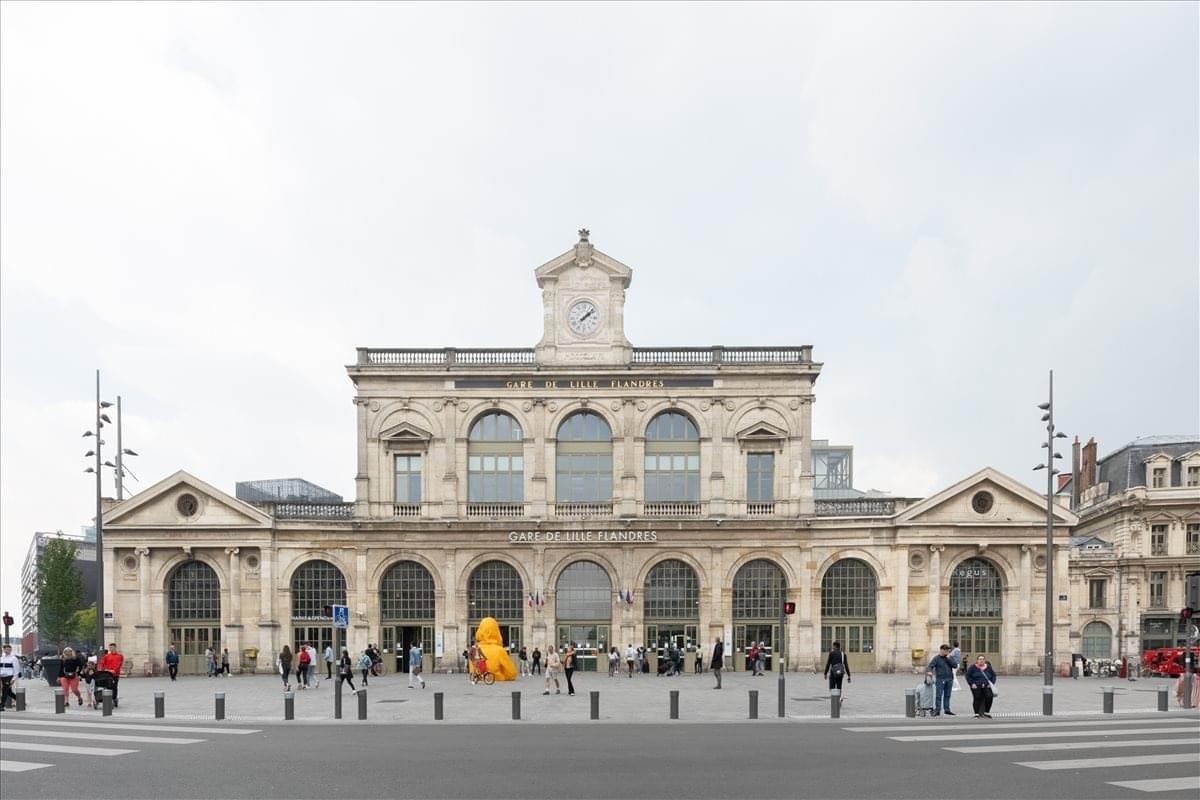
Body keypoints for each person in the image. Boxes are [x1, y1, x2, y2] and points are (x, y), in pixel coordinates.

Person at [927, 643, 957, 716]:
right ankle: (937, 710)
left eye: (947, 650)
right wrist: (929, 672)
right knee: (939, 695)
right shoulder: (936, 658)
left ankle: (947, 710)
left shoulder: (950, 657)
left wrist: (949, 659)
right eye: (945, 650)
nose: (946, 652)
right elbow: (930, 666)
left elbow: (955, 665)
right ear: (941, 650)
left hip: (949, 679)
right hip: (940, 679)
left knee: (947, 695)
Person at [97, 642, 124, 708]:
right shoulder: (106, 656)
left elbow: (119, 664)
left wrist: (114, 670)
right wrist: (100, 669)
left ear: (115, 647)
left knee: (114, 687)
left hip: (115, 674)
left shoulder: (119, 656)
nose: (111, 649)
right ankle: (109, 699)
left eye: (112, 647)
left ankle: (114, 698)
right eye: (110, 648)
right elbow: (102, 663)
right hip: (107, 674)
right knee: (108, 686)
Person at [0, 643, 19, 711]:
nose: (7, 650)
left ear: (10, 650)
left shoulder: (13, 658)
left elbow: (16, 670)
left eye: (8, 649)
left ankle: (2, 706)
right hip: (2, 677)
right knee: (8, 692)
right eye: (5, 649)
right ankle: (19, 699)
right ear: (3, 649)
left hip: (9, 677)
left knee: (4, 690)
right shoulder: (1, 658)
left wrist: (14, 678)